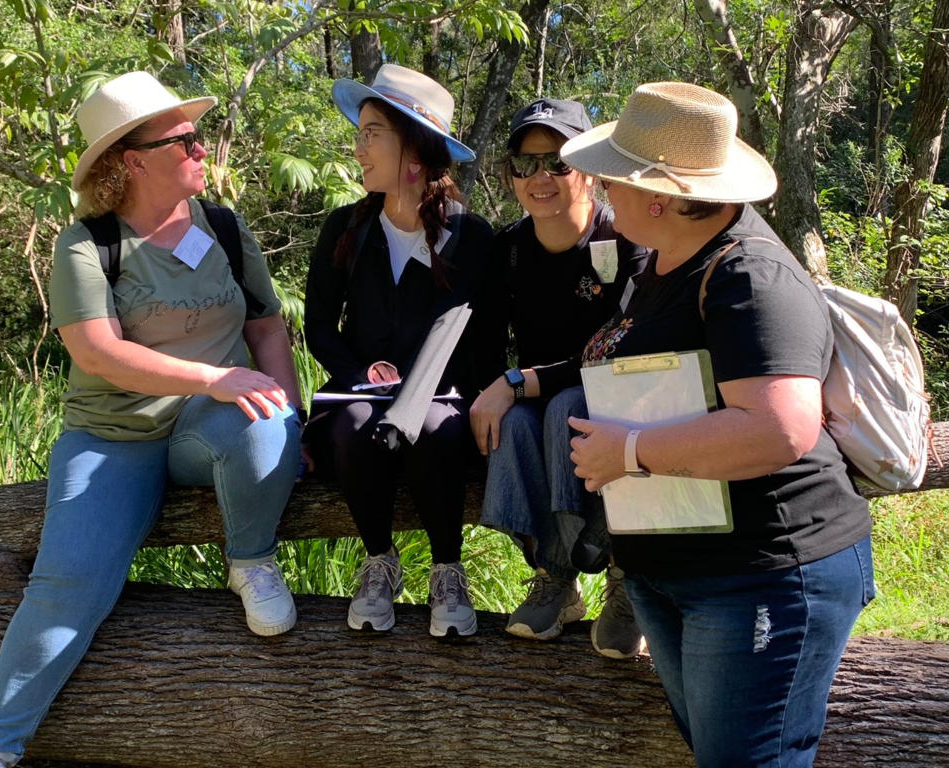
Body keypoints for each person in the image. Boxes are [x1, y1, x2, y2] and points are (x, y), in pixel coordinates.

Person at [0, 72, 303, 768]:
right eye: (184, 140)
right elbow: (98, 352)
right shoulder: (86, 245)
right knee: (68, 585)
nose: (203, 148)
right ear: (133, 160)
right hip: (112, 437)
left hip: (207, 428)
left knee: (267, 423)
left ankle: (251, 559)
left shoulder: (225, 228)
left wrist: (291, 415)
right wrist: (213, 374)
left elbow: (267, 328)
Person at [558, 81, 874, 767]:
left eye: (611, 177)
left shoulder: (750, 276)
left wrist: (631, 452)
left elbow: (780, 429)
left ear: (660, 197)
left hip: (760, 573)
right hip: (682, 570)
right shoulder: (664, 263)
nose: (602, 191)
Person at [304, 64, 494, 637]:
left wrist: (488, 405)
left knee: (433, 426)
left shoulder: (470, 235)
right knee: (357, 422)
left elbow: (480, 340)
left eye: (371, 134)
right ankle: (379, 562)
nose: (358, 148)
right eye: (358, 133)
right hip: (358, 393)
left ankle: (447, 569)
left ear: (414, 145)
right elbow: (318, 327)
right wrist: (361, 372)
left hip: (443, 398)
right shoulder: (346, 228)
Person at [468, 99, 649, 652]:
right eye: (524, 165)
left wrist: (519, 382)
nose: (539, 177)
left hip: (620, 398)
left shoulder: (626, 240)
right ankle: (556, 579)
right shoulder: (510, 251)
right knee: (516, 425)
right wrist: (491, 392)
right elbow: (484, 341)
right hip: (543, 400)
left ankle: (624, 575)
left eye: (556, 162)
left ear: (589, 174)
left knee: (565, 404)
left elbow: (620, 349)